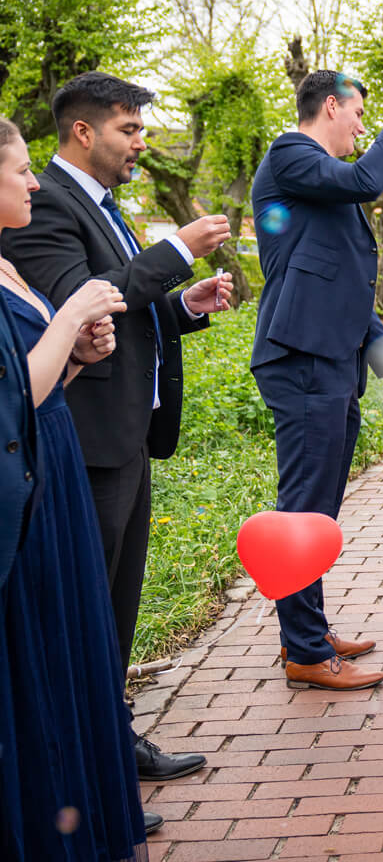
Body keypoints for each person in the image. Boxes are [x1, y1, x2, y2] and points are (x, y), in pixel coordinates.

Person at [0, 72, 230, 791]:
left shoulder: (105, 206)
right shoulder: (49, 207)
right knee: (88, 606)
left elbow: (127, 306)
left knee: (117, 607)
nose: (141, 144)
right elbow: (82, 300)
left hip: (128, 433)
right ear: (84, 132)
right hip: (89, 438)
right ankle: (91, 769)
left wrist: (182, 305)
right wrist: (179, 251)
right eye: (130, 130)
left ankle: (114, 740)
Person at [0, 116, 155, 857]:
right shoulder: (28, 245)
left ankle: (89, 802)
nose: (33, 181)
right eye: (20, 169)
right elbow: (7, 401)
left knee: (80, 640)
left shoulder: (6, 266)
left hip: (55, 455)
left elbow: (39, 378)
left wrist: (79, 356)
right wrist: (71, 317)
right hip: (33, 474)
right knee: (40, 652)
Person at [250, 70, 383, 690]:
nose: (360, 127)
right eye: (358, 115)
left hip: (329, 360)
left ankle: (310, 629)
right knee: (303, 510)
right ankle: (303, 652)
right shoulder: (291, 153)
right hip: (301, 360)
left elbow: (344, 293)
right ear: (331, 106)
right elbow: (365, 179)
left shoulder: (319, 192)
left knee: (318, 510)